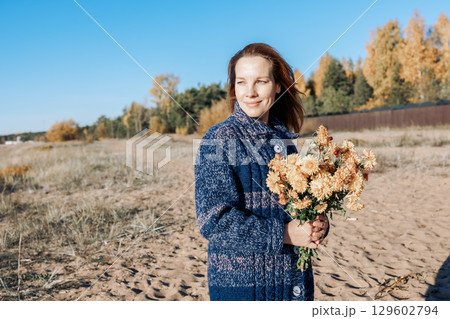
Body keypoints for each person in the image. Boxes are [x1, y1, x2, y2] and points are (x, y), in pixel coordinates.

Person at [194, 43, 329, 301]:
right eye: (242, 82)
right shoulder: (220, 138)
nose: (251, 92)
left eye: (261, 81)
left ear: (278, 85)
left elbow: (299, 204)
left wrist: (317, 222)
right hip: (247, 289)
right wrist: (287, 234)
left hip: (292, 283)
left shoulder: (285, 140)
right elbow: (214, 221)